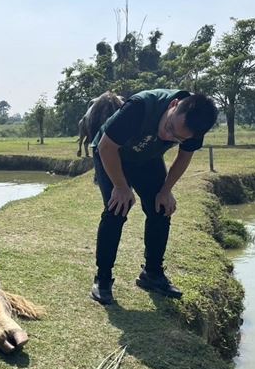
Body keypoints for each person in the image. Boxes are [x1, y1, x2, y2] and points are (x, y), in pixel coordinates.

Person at [89, 89, 218, 305]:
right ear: (173, 105)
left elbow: (184, 157)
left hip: (147, 157)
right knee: (117, 209)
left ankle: (152, 274)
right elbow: (106, 147)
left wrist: (166, 190)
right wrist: (121, 186)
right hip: (111, 153)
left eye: (177, 138)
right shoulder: (139, 107)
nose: (168, 137)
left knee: (161, 208)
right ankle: (102, 279)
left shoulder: (196, 125)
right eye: (169, 128)